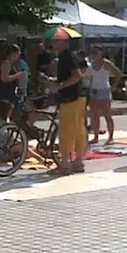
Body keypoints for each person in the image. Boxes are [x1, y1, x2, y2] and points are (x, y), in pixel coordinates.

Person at [44, 33, 87, 175]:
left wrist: (60, 85)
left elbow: (77, 75)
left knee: (66, 131)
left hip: (71, 97)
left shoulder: (66, 56)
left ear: (64, 42)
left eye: (56, 41)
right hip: (78, 96)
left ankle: (65, 165)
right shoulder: (69, 55)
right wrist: (54, 81)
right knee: (78, 130)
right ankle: (78, 162)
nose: (53, 44)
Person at [87, 45, 122, 144]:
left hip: (104, 91)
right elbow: (88, 77)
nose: (94, 55)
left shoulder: (106, 63)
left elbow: (118, 74)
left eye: (96, 52)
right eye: (92, 52)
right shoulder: (91, 64)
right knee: (95, 115)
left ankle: (111, 137)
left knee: (107, 115)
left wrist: (114, 86)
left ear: (102, 53)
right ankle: (96, 136)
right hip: (94, 90)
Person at [0, 44, 28, 119]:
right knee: (4, 114)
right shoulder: (7, 63)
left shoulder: (11, 64)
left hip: (10, 92)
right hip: (5, 92)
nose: (17, 57)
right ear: (12, 53)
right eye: (17, 54)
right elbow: (4, 78)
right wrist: (18, 75)